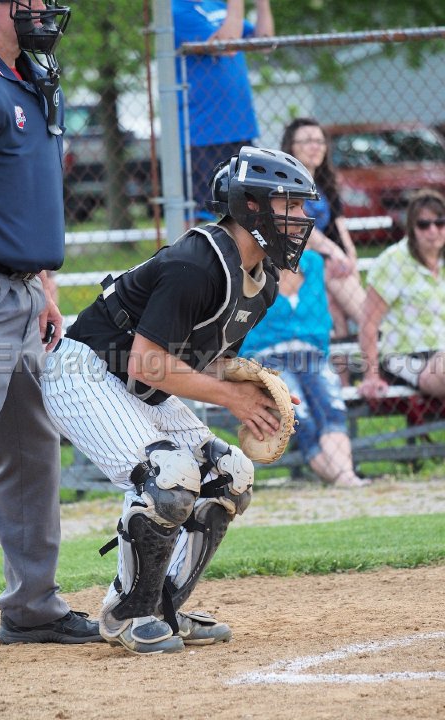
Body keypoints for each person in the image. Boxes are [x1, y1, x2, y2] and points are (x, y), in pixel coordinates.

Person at [40, 146, 318, 655]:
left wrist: (256, 388)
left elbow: (205, 360)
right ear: (252, 207)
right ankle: (127, 613)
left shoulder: (264, 284)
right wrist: (232, 399)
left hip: (139, 383)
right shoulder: (197, 263)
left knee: (229, 474)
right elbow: (148, 362)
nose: (302, 218)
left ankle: (163, 605)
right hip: (85, 371)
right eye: (291, 205)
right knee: (167, 475)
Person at [0, 0, 102, 665]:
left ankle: (31, 607)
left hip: (23, 292)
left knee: (31, 450)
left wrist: (45, 285)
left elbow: (23, 194)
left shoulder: (29, 77)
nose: (43, 8)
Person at [241, 250, 370, 488]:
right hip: (265, 357)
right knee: (300, 416)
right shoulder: (251, 267)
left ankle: (344, 477)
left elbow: (323, 318)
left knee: (331, 408)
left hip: (311, 354)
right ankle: (344, 478)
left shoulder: (313, 263)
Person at [173, 0, 274, 223]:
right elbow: (228, 46)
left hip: (240, 128)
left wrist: (262, 4)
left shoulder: (215, 5)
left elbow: (264, 42)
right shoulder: (176, 10)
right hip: (204, 134)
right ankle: (191, 248)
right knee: (203, 215)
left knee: (246, 210)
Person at [281, 117, 366, 340]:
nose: (315, 147)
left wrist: (350, 256)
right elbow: (302, 229)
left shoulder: (326, 182)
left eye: (320, 141)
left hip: (329, 257)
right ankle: (372, 327)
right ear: (291, 147)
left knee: (337, 287)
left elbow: (340, 226)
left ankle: (354, 335)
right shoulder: (285, 184)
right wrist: (334, 254)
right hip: (300, 255)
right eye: (307, 141)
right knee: (331, 273)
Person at [359, 189, 445, 400]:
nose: (433, 230)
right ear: (411, 228)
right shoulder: (392, 261)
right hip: (404, 356)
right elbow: (368, 322)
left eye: (440, 223)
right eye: (424, 224)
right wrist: (371, 376)